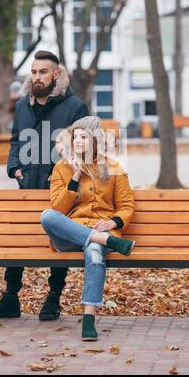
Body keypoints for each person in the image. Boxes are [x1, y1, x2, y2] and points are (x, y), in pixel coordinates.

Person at [0, 50, 89, 320]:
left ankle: (53, 300)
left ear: (56, 74)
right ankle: (9, 298)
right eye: (34, 72)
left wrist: (62, 171)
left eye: (43, 72)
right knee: (18, 238)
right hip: (26, 185)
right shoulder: (22, 105)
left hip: (60, 189)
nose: (37, 77)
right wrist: (14, 166)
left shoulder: (75, 107)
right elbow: (16, 139)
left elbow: (83, 146)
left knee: (57, 240)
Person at [41, 116, 135, 341]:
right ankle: (109, 241)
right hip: (69, 235)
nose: (78, 141)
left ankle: (89, 318)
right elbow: (58, 209)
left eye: (84, 137)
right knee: (47, 216)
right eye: (75, 137)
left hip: (101, 229)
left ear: (96, 140)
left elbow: (126, 206)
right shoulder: (62, 168)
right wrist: (75, 176)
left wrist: (113, 223)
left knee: (94, 252)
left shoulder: (113, 168)